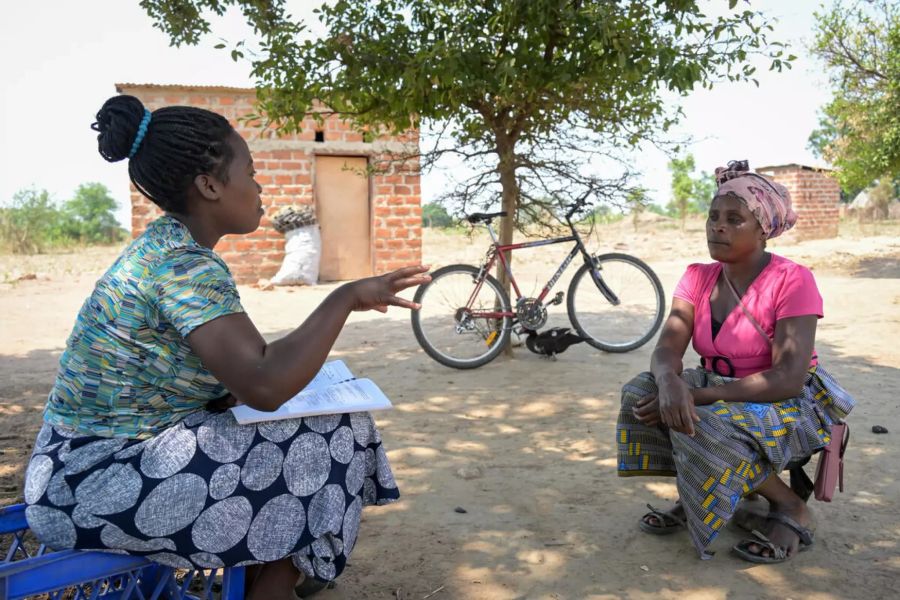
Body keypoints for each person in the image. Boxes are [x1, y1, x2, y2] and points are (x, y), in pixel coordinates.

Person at [22, 95, 430, 599]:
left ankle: (274, 573)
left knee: (315, 433)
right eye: (252, 172)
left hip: (78, 466)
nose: (261, 186)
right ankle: (277, 582)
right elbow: (263, 383)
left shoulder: (169, 249)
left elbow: (242, 369)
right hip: (92, 481)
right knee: (337, 435)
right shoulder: (183, 266)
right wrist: (345, 297)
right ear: (210, 185)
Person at [615, 160, 854, 563]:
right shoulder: (697, 277)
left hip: (786, 402)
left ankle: (790, 506)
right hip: (720, 388)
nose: (717, 227)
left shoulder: (792, 280)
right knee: (640, 393)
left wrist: (698, 395)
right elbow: (668, 348)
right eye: (712, 217)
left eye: (733, 219)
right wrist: (669, 382)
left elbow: (789, 378)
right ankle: (701, 495)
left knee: (704, 419)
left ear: (763, 228)